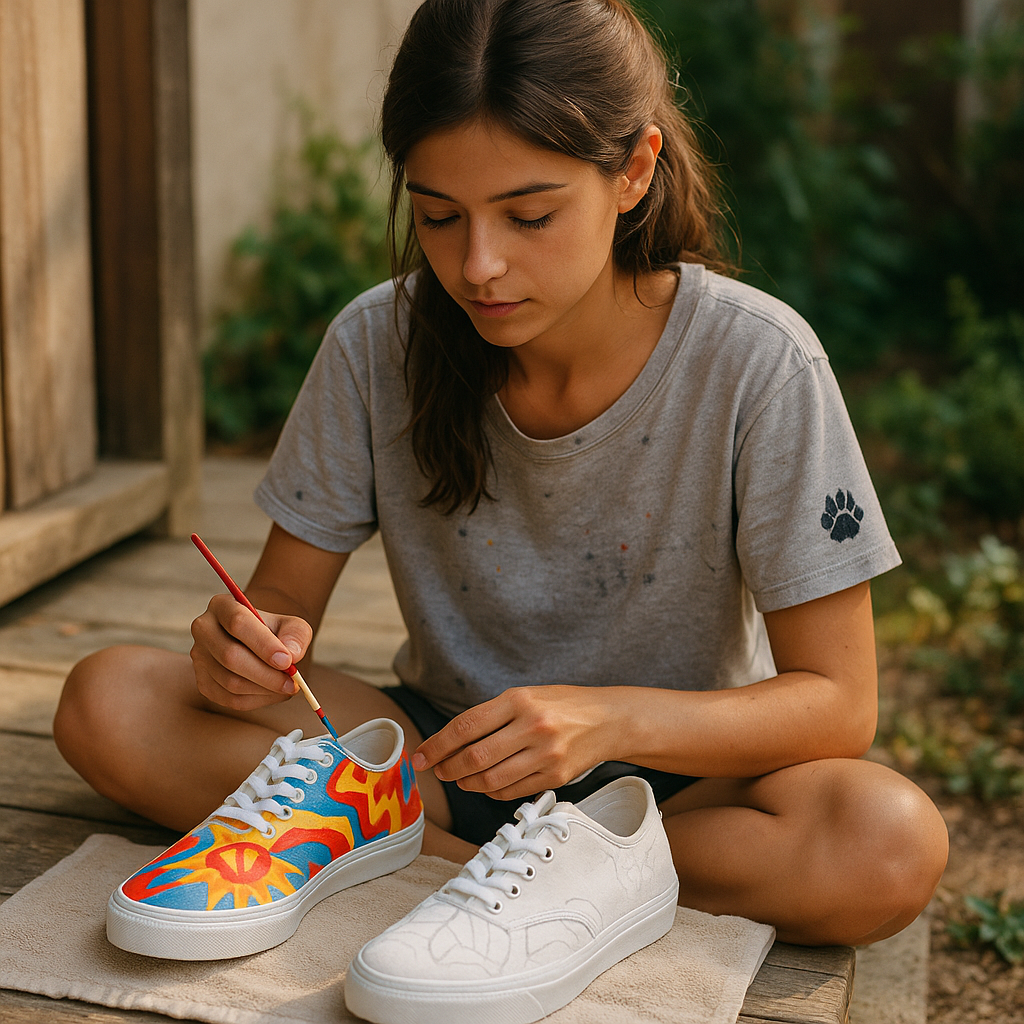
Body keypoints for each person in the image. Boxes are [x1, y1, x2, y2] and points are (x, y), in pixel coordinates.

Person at [55, 0, 948, 948]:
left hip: (674, 789)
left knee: (883, 843)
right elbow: (282, 617)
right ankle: (474, 873)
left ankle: (512, 869)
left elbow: (841, 704)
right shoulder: (375, 345)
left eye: (529, 216)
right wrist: (242, 653)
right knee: (108, 701)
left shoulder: (759, 364)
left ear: (634, 171)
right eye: (439, 217)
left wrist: (603, 721)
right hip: (438, 759)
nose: (478, 266)